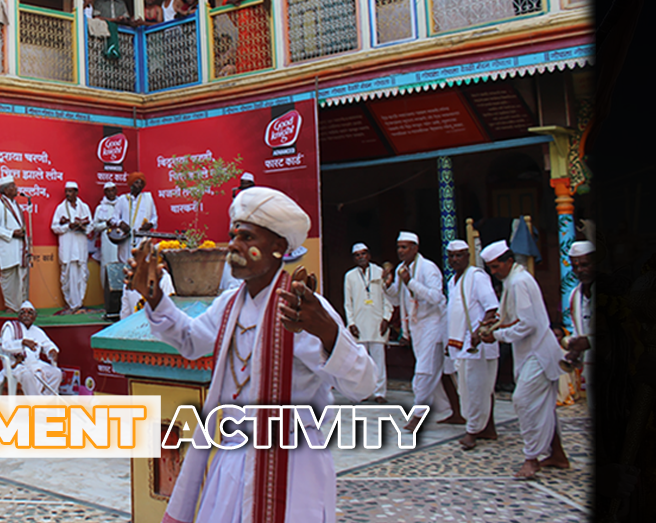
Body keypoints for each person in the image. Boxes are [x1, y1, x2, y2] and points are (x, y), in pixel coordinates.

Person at [133, 186, 376, 523]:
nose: (234, 245)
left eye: (247, 237)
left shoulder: (301, 308)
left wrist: (327, 332)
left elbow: (364, 385)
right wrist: (155, 297)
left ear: (278, 247)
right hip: (232, 463)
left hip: (292, 464)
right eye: (233, 235)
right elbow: (190, 341)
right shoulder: (229, 304)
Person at [477, 240, 568, 479]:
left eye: (496, 267)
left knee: (523, 400)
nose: (494, 272)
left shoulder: (519, 282)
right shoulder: (513, 281)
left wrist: (497, 335)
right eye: (490, 268)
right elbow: (514, 316)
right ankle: (558, 455)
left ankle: (531, 458)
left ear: (509, 261)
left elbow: (528, 324)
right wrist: (496, 324)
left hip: (538, 353)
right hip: (530, 353)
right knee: (543, 405)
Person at [385, 231, 452, 429]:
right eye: (398, 247)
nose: (400, 251)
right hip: (416, 326)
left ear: (415, 248)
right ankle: (453, 411)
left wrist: (410, 282)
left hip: (433, 323)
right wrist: (387, 286)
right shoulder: (401, 269)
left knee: (423, 371)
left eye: (404, 247)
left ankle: (418, 415)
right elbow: (397, 300)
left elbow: (436, 297)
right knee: (433, 371)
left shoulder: (429, 268)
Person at [444, 240, 501, 450]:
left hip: (477, 344)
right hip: (460, 343)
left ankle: (472, 431)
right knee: (474, 388)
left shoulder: (477, 277)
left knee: (476, 390)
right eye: (451, 256)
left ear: (468, 256)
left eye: (459, 255)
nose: (455, 259)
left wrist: (479, 332)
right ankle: (488, 428)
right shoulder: (452, 281)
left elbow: (491, 308)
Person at [343, 242, 391, 404]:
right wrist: (351, 323)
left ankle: (379, 393)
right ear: (354, 258)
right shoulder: (349, 276)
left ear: (369, 255)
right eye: (357, 255)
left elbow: (388, 297)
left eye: (363, 254)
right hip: (359, 324)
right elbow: (348, 302)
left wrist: (386, 318)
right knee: (361, 363)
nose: (361, 257)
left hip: (377, 322)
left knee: (379, 361)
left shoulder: (379, 272)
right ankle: (363, 392)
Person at [0, 302, 61, 396]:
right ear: (19, 316)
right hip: (17, 364)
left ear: (34, 317)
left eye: (30, 313)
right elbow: (5, 345)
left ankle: (46, 399)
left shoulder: (37, 331)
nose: (26, 315)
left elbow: (47, 343)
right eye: (23, 313)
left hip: (35, 363)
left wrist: (52, 350)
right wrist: (22, 343)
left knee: (56, 373)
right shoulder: (11, 327)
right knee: (28, 375)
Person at [51, 181, 94, 314]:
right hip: (68, 247)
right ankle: (71, 303)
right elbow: (54, 227)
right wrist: (67, 226)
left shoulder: (84, 207)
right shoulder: (60, 208)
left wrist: (82, 227)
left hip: (80, 246)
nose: (68, 194)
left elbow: (91, 225)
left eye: (70, 191)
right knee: (67, 275)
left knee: (82, 274)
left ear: (76, 192)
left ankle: (79, 302)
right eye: (66, 191)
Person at [91, 182, 131, 319]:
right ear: (105, 193)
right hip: (107, 241)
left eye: (113, 190)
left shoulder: (123, 204)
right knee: (107, 269)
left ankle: (123, 300)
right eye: (108, 191)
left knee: (122, 266)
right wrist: (105, 224)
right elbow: (95, 226)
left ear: (116, 191)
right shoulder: (100, 208)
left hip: (122, 240)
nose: (111, 193)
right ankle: (109, 301)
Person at [0, 176, 29, 312]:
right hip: (7, 248)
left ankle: (21, 306)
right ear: (5, 190)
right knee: (8, 279)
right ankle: (11, 306)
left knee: (20, 278)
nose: (16, 188)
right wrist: (11, 233)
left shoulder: (16, 205)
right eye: (12, 186)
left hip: (19, 248)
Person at [563, 241, 597, 392]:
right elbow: (579, 329)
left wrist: (588, 342)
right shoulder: (575, 295)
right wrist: (575, 349)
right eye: (575, 267)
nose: (580, 270)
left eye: (585, 265)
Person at [124, 172, 158, 250]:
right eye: (136, 183)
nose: (139, 185)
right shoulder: (123, 199)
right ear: (131, 184)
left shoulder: (148, 198)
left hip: (143, 237)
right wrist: (121, 223)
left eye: (141, 183)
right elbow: (114, 219)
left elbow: (154, 217)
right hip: (126, 238)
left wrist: (150, 224)